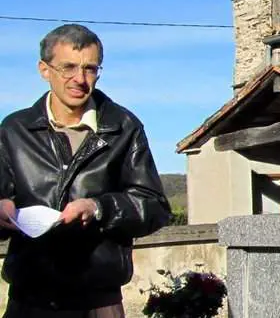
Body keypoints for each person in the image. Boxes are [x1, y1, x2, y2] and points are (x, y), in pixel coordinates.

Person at [0, 24, 171, 317]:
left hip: (98, 302)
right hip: (29, 300)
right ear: (44, 70)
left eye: (90, 68)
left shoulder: (123, 128)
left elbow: (154, 206)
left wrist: (99, 208)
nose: (80, 79)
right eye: (68, 67)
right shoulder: (14, 130)